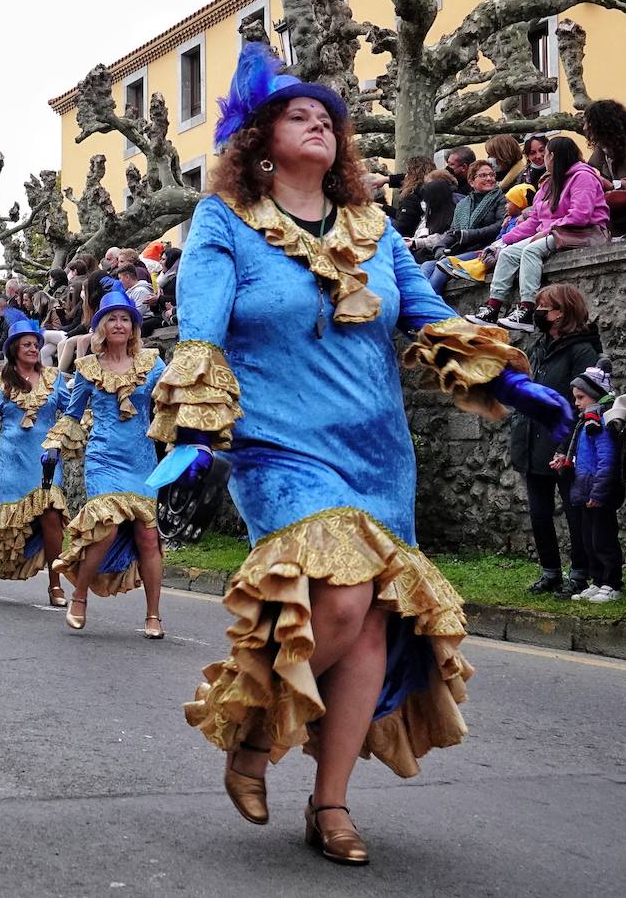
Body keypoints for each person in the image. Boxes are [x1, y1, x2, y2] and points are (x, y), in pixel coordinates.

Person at [154, 43, 574, 865]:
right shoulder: (223, 222)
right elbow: (202, 325)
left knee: (375, 622)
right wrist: (200, 432)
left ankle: (331, 805)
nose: (320, 123)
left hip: (376, 449)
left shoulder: (374, 230)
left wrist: (509, 380)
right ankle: (253, 738)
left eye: (329, 118)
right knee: (341, 600)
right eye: (298, 114)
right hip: (279, 445)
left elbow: (422, 313)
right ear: (260, 139)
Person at [46, 289, 166, 640]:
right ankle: (80, 597)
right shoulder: (87, 368)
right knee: (107, 525)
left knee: (148, 536)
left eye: (125, 318)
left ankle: (154, 614)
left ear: (133, 326)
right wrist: (55, 446)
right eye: (111, 318)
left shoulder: (153, 364)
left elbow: (169, 404)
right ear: (100, 327)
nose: (118, 324)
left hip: (142, 460)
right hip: (103, 458)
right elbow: (72, 413)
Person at [0, 314, 71, 606]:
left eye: (35, 344)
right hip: (13, 458)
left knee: (51, 517)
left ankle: (55, 584)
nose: (32, 349)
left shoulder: (53, 378)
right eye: (25, 344)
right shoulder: (0, 382)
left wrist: (68, 436)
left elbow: (71, 412)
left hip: (47, 459)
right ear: (13, 349)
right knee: (8, 522)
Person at [509, 285, 601, 599]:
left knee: (575, 512)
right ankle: (550, 571)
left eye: (544, 308)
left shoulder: (583, 350)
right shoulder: (540, 345)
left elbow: (586, 400)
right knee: (538, 512)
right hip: (532, 437)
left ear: (561, 312)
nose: (539, 314)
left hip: (563, 439)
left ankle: (580, 573)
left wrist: (568, 445)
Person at [468, 136, 608, 330]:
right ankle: (492, 307)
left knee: (531, 250)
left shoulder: (582, 177)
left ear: (555, 156)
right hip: (557, 232)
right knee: (508, 254)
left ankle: (527, 309)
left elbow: (581, 215)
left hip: (585, 232)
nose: (543, 158)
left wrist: (549, 230)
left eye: (547, 153)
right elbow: (534, 220)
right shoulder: (549, 183)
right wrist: (502, 242)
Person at [561, 358, 624, 603]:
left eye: (581, 398)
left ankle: (611, 583)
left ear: (596, 395)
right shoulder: (586, 422)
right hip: (584, 489)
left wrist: (598, 493)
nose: (576, 403)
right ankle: (597, 580)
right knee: (589, 540)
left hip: (598, 492)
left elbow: (606, 460)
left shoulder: (602, 423)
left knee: (604, 540)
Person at [423, 183, 534, 296]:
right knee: (426, 266)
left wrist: (468, 235)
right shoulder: (463, 204)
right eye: (482, 175)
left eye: (490, 174)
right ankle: (421, 302)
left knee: (445, 264)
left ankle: (431, 301)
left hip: (482, 247)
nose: (488, 179)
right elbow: (453, 231)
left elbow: (498, 229)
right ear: (471, 181)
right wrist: (440, 247)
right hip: (465, 248)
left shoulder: (499, 200)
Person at [583, 99, 626, 236]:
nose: (585, 127)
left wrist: (616, 185)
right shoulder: (603, 149)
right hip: (618, 212)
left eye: (588, 122)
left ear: (602, 123)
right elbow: (590, 171)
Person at [404, 171, 457, 263]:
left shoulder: (454, 210)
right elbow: (422, 228)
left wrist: (415, 243)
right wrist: (411, 240)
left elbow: (445, 237)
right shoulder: (432, 210)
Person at [389, 157, 435, 238]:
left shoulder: (412, 196)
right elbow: (407, 215)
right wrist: (383, 207)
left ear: (413, 175)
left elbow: (402, 227)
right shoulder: (432, 191)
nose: (405, 176)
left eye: (407, 173)